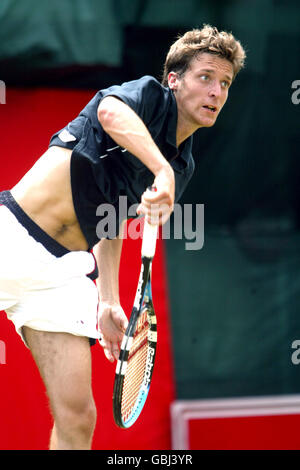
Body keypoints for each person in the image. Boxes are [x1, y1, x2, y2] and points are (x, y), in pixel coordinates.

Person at [0, 25, 245, 449]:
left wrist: (108, 299)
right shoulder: (146, 97)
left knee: (78, 418)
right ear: (174, 79)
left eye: (224, 83)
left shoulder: (181, 166)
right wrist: (161, 170)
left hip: (60, 276)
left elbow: (111, 222)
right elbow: (111, 114)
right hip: (13, 237)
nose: (216, 92)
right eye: (205, 77)